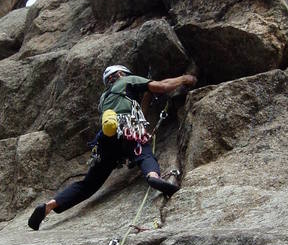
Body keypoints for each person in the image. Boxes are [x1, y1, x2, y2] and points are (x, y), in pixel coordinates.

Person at [28, 65, 197, 230]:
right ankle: (153, 177)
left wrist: (145, 97)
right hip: (128, 130)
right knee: (144, 154)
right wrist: (184, 79)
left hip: (107, 140)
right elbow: (161, 86)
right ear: (121, 74)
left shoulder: (104, 98)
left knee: (88, 184)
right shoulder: (128, 80)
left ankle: (49, 206)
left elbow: (140, 112)